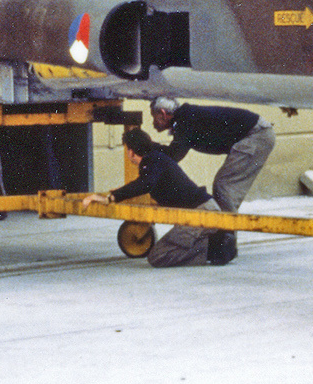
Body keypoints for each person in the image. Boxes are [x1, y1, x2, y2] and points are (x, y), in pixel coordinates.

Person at [82, 128, 236, 267]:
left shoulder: (152, 161)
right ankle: (216, 240)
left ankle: (216, 248)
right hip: (203, 210)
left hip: (200, 214)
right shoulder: (155, 160)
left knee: (157, 256)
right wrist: (122, 192)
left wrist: (110, 198)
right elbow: (145, 183)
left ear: (130, 152)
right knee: (169, 249)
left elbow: (144, 184)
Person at [149, 98, 275, 213]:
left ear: (163, 113)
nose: (153, 123)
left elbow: (174, 154)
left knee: (225, 186)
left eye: (154, 117)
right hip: (257, 133)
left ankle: (225, 233)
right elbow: (174, 153)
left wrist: (148, 146)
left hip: (256, 135)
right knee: (224, 186)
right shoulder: (185, 117)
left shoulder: (184, 120)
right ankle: (223, 231)